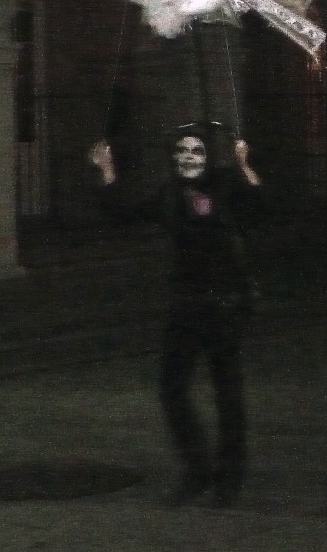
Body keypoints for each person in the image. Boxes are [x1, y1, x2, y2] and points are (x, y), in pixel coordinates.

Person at [89, 122, 262, 507]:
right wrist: (107, 171)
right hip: (186, 302)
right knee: (172, 389)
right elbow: (121, 214)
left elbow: (259, 206)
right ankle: (198, 467)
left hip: (224, 302)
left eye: (197, 151)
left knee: (227, 392)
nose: (188, 156)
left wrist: (245, 165)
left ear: (208, 157)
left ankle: (229, 476)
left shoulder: (223, 185)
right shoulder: (170, 193)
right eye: (182, 150)